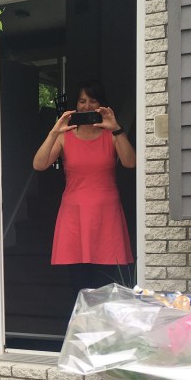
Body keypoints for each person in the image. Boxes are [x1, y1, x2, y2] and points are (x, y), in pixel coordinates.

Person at [32, 79, 135, 296]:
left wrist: (116, 128)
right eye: (82, 101)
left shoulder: (111, 135)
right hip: (74, 216)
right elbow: (39, 164)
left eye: (92, 100)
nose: (86, 106)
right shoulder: (65, 137)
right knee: (79, 287)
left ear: (101, 105)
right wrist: (54, 132)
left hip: (106, 216)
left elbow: (130, 162)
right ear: (75, 105)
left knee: (105, 287)